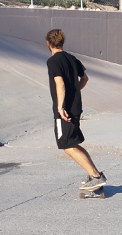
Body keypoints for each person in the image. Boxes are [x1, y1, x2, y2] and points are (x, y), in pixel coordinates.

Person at [45, 29, 106, 191]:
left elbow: (60, 83)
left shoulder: (53, 61)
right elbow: (85, 78)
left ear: (48, 43)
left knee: (66, 145)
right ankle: (96, 175)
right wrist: (75, 92)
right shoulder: (72, 59)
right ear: (62, 42)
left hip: (64, 110)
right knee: (73, 143)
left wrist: (60, 106)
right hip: (75, 107)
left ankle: (95, 176)